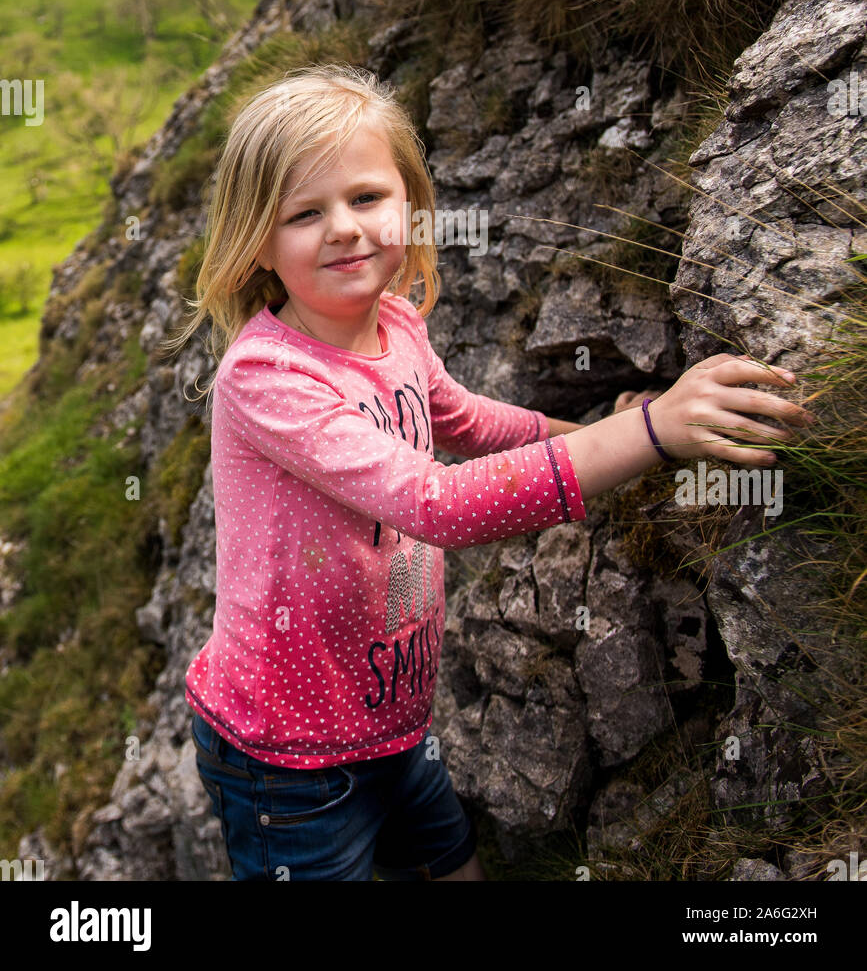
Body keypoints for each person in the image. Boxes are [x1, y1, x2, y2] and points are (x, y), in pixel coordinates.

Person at [163, 62, 811, 882]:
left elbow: (466, 423)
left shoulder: (395, 323)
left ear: (408, 201)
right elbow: (433, 501)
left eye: (366, 198)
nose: (344, 228)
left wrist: (593, 431)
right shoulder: (268, 379)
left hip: (396, 722)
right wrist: (651, 432)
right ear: (258, 240)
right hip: (287, 761)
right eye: (304, 213)